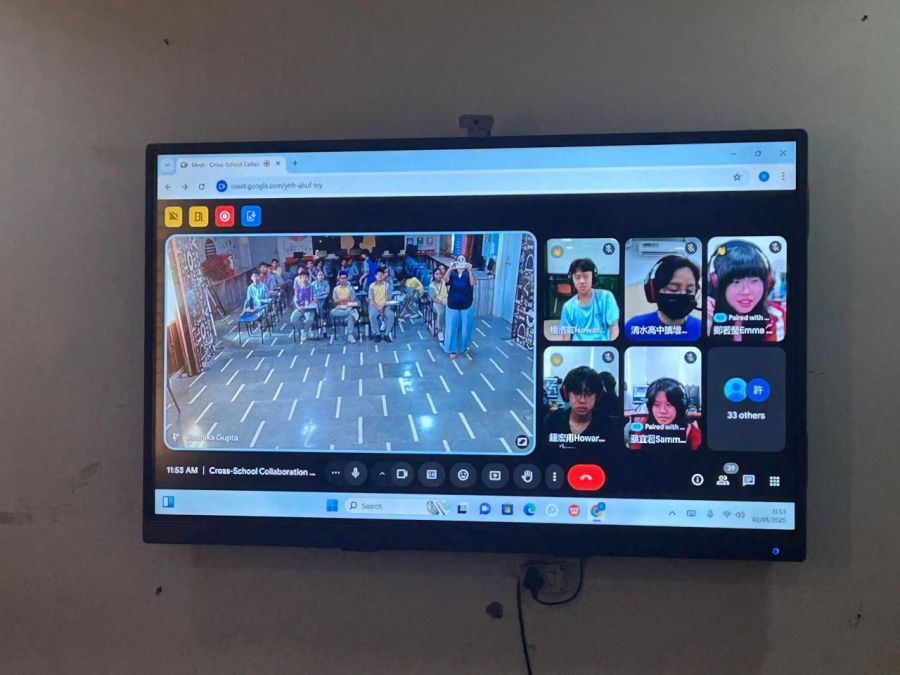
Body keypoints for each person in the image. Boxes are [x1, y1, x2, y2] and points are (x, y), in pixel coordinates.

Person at [707, 240, 786, 342]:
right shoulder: (707, 314)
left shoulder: (775, 316)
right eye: (736, 282)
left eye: (754, 280)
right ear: (716, 283)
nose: (746, 291)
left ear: (767, 282)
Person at [625, 255, 702, 341]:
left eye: (689, 290)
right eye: (673, 289)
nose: (683, 295)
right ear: (654, 291)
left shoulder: (701, 328)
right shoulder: (634, 327)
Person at [543, 366, 617, 443]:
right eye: (576, 393)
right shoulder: (552, 421)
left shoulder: (609, 426)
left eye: (589, 394)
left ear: (598, 396)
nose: (582, 400)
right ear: (566, 394)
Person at [627, 377, 701, 450]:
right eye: (656, 405)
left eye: (669, 405)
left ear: (680, 406)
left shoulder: (690, 430)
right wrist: (638, 434)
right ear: (650, 406)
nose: (662, 411)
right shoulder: (643, 428)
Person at [557, 258, 619, 341]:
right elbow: (566, 337)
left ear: (593, 277)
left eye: (586, 276)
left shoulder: (606, 297)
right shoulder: (567, 307)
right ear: (572, 279)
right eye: (577, 277)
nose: (582, 281)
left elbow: (614, 328)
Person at [443, 254, 477, 358]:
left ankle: (464, 348)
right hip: (452, 304)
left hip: (466, 305)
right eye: (459, 259)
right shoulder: (453, 273)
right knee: (451, 329)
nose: (461, 261)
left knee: (465, 329)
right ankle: (451, 350)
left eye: (463, 259)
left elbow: (473, 283)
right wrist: (450, 268)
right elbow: (445, 280)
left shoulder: (467, 273)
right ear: (456, 261)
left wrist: (470, 270)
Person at [367, 267, 394, 343]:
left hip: (385, 306)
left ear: (383, 276)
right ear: (375, 276)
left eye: (381, 274)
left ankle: (386, 334)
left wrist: (382, 307)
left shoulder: (387, 285)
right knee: (372, 315)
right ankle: (377, 334)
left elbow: (389, 298)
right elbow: (371, 300)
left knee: (391, 315)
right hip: (374, 306)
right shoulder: (371, 286)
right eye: (378, 275)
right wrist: (378, 308)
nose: (380, 276)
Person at [329, 271, 357, 343]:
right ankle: (346, 314)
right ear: (339, 279)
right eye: (341, 278)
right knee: (332, 312)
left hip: (349, 307)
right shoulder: (336, 289)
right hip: (339, 308)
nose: (343, 280)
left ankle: (350, 335)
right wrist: (345, 299)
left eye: (344, 278)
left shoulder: (350, 288)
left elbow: (352, 300)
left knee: (350, 314)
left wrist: (341, 300)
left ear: (347, 279)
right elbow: (335, 301)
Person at [290, 271, 316, 342]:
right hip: (301, 308)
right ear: (300, 279)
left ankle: (304, 332)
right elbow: (295, 300)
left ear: (308, 278)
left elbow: (316, 299)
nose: (305, 279)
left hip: (310, 308)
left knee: (309, 319)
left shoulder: (312, 288)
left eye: (306, 277)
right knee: (293, 319)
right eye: (303, 277)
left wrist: (312, 302)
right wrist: (298, 307)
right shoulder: (298, 289)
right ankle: (306, 329)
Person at [428, 267, 447, 341]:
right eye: (437, 274)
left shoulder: (445, 283)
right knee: (441, 312)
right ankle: (440, 331)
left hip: (447, 301)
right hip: (437, 302)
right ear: (434, 275)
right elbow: (433, 298)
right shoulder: (431, 285)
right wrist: (441, 302)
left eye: (440, 274)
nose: (438, 275)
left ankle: (448, 329)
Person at [311, 269, 331, 334]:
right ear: (316, 276)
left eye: (322, 275)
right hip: (315, 300)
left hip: (324, 300)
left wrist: (321, 294)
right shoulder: (313, 284)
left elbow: (327, 292)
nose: (321, 276)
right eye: (319, 275)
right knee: (315, 308)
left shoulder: (326, 283)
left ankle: (322, 326)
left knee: (321, 308)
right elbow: (312, 294)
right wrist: (321, 293)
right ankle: (319, 325)